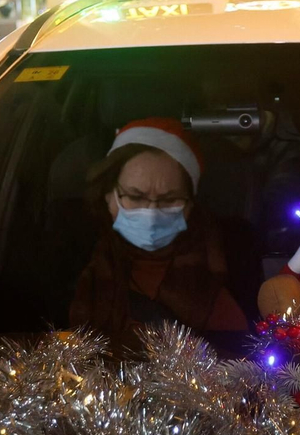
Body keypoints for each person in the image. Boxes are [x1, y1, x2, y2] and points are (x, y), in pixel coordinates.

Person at [70, 118, 248, 352]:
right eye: (135, 196)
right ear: (108, 196)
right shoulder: (67, 265)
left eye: (169, 199)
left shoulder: (220, 282)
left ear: (189, 207)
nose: (152, 213)